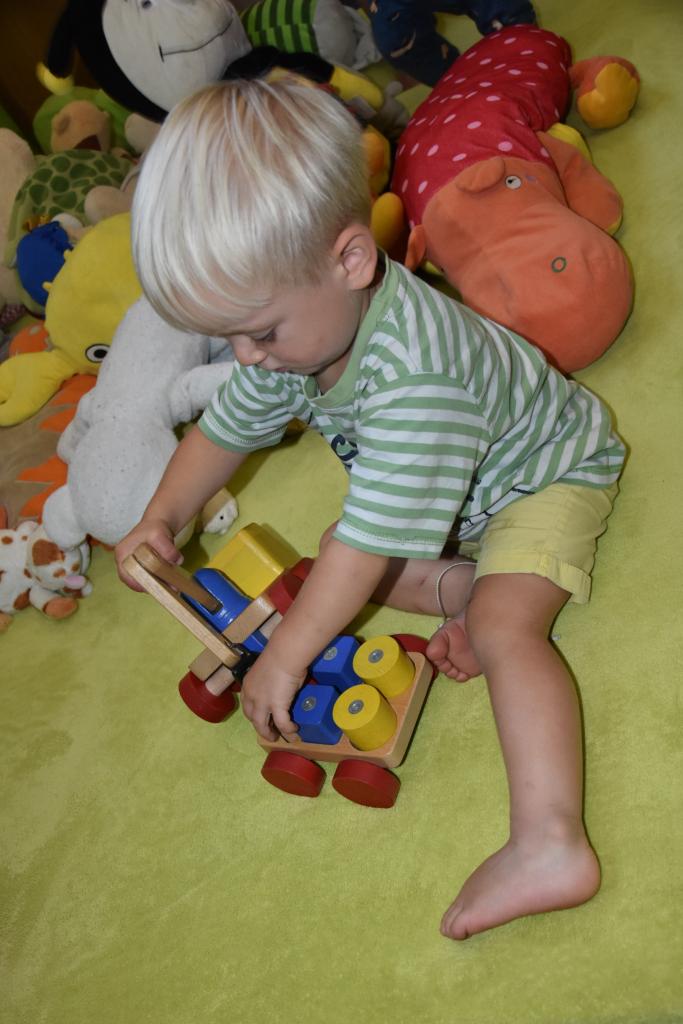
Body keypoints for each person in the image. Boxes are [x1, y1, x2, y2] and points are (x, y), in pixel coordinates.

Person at [115, 77, 624, 941]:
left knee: (499, 626)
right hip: (461, 498)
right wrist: (162, 515)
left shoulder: (413, 380)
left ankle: (550, 842)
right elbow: (225, 429)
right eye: (227, 337)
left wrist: (285, 660)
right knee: (339, 556)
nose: (247, 358)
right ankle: (469, 586)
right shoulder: (297, 337)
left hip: (546, 477)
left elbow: (362, 551)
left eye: (259, 333)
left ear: (350, 261)